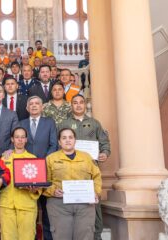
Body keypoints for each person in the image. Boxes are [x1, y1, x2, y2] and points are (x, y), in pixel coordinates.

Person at [59, 94, 110, 240]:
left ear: (85, 104)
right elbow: (58, 146)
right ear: (71, 105)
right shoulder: (64, 124)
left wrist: (105, 153)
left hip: (90, 172)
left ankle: (96, 236)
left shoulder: (94, 123)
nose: (79, 105)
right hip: (69, 172)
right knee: (70, 208)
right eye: (75, 103)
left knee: (93, 204)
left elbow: (104, 142)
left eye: (81, 102)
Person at [44, 128, 102, 240]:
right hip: (59, 205)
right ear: (59, 142)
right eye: (64, 138)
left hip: (85, 205)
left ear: (75, 140)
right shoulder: (51, 159)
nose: (67, 140)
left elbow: (96, 177)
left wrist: (96, 192)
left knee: (85, 236)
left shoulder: (86, 157)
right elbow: (44, 182)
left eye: (70, 137)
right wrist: (53, 191)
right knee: (61, 236)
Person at [19, 96, 58, 240]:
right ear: (27, 108)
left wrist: (42, 163)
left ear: (42, 107)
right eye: (31, 104)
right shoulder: (21, 123)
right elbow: (18, 144)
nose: (34, 106)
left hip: (45, 170)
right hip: (26, 173)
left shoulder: (49, 122)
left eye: (37, 104)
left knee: (47, 211)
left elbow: (54, 144)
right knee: (29, 211)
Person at [0, 127, 41, 240]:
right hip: (7, 205)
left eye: (22, 137)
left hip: (27, 205)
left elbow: (39, 185)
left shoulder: (33, 159)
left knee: (27, 237)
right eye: (17, 137)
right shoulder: (4, 158)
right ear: (12, 139)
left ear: (26, 140)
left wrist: (34, 189)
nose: (20, 140)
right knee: (7, 237)